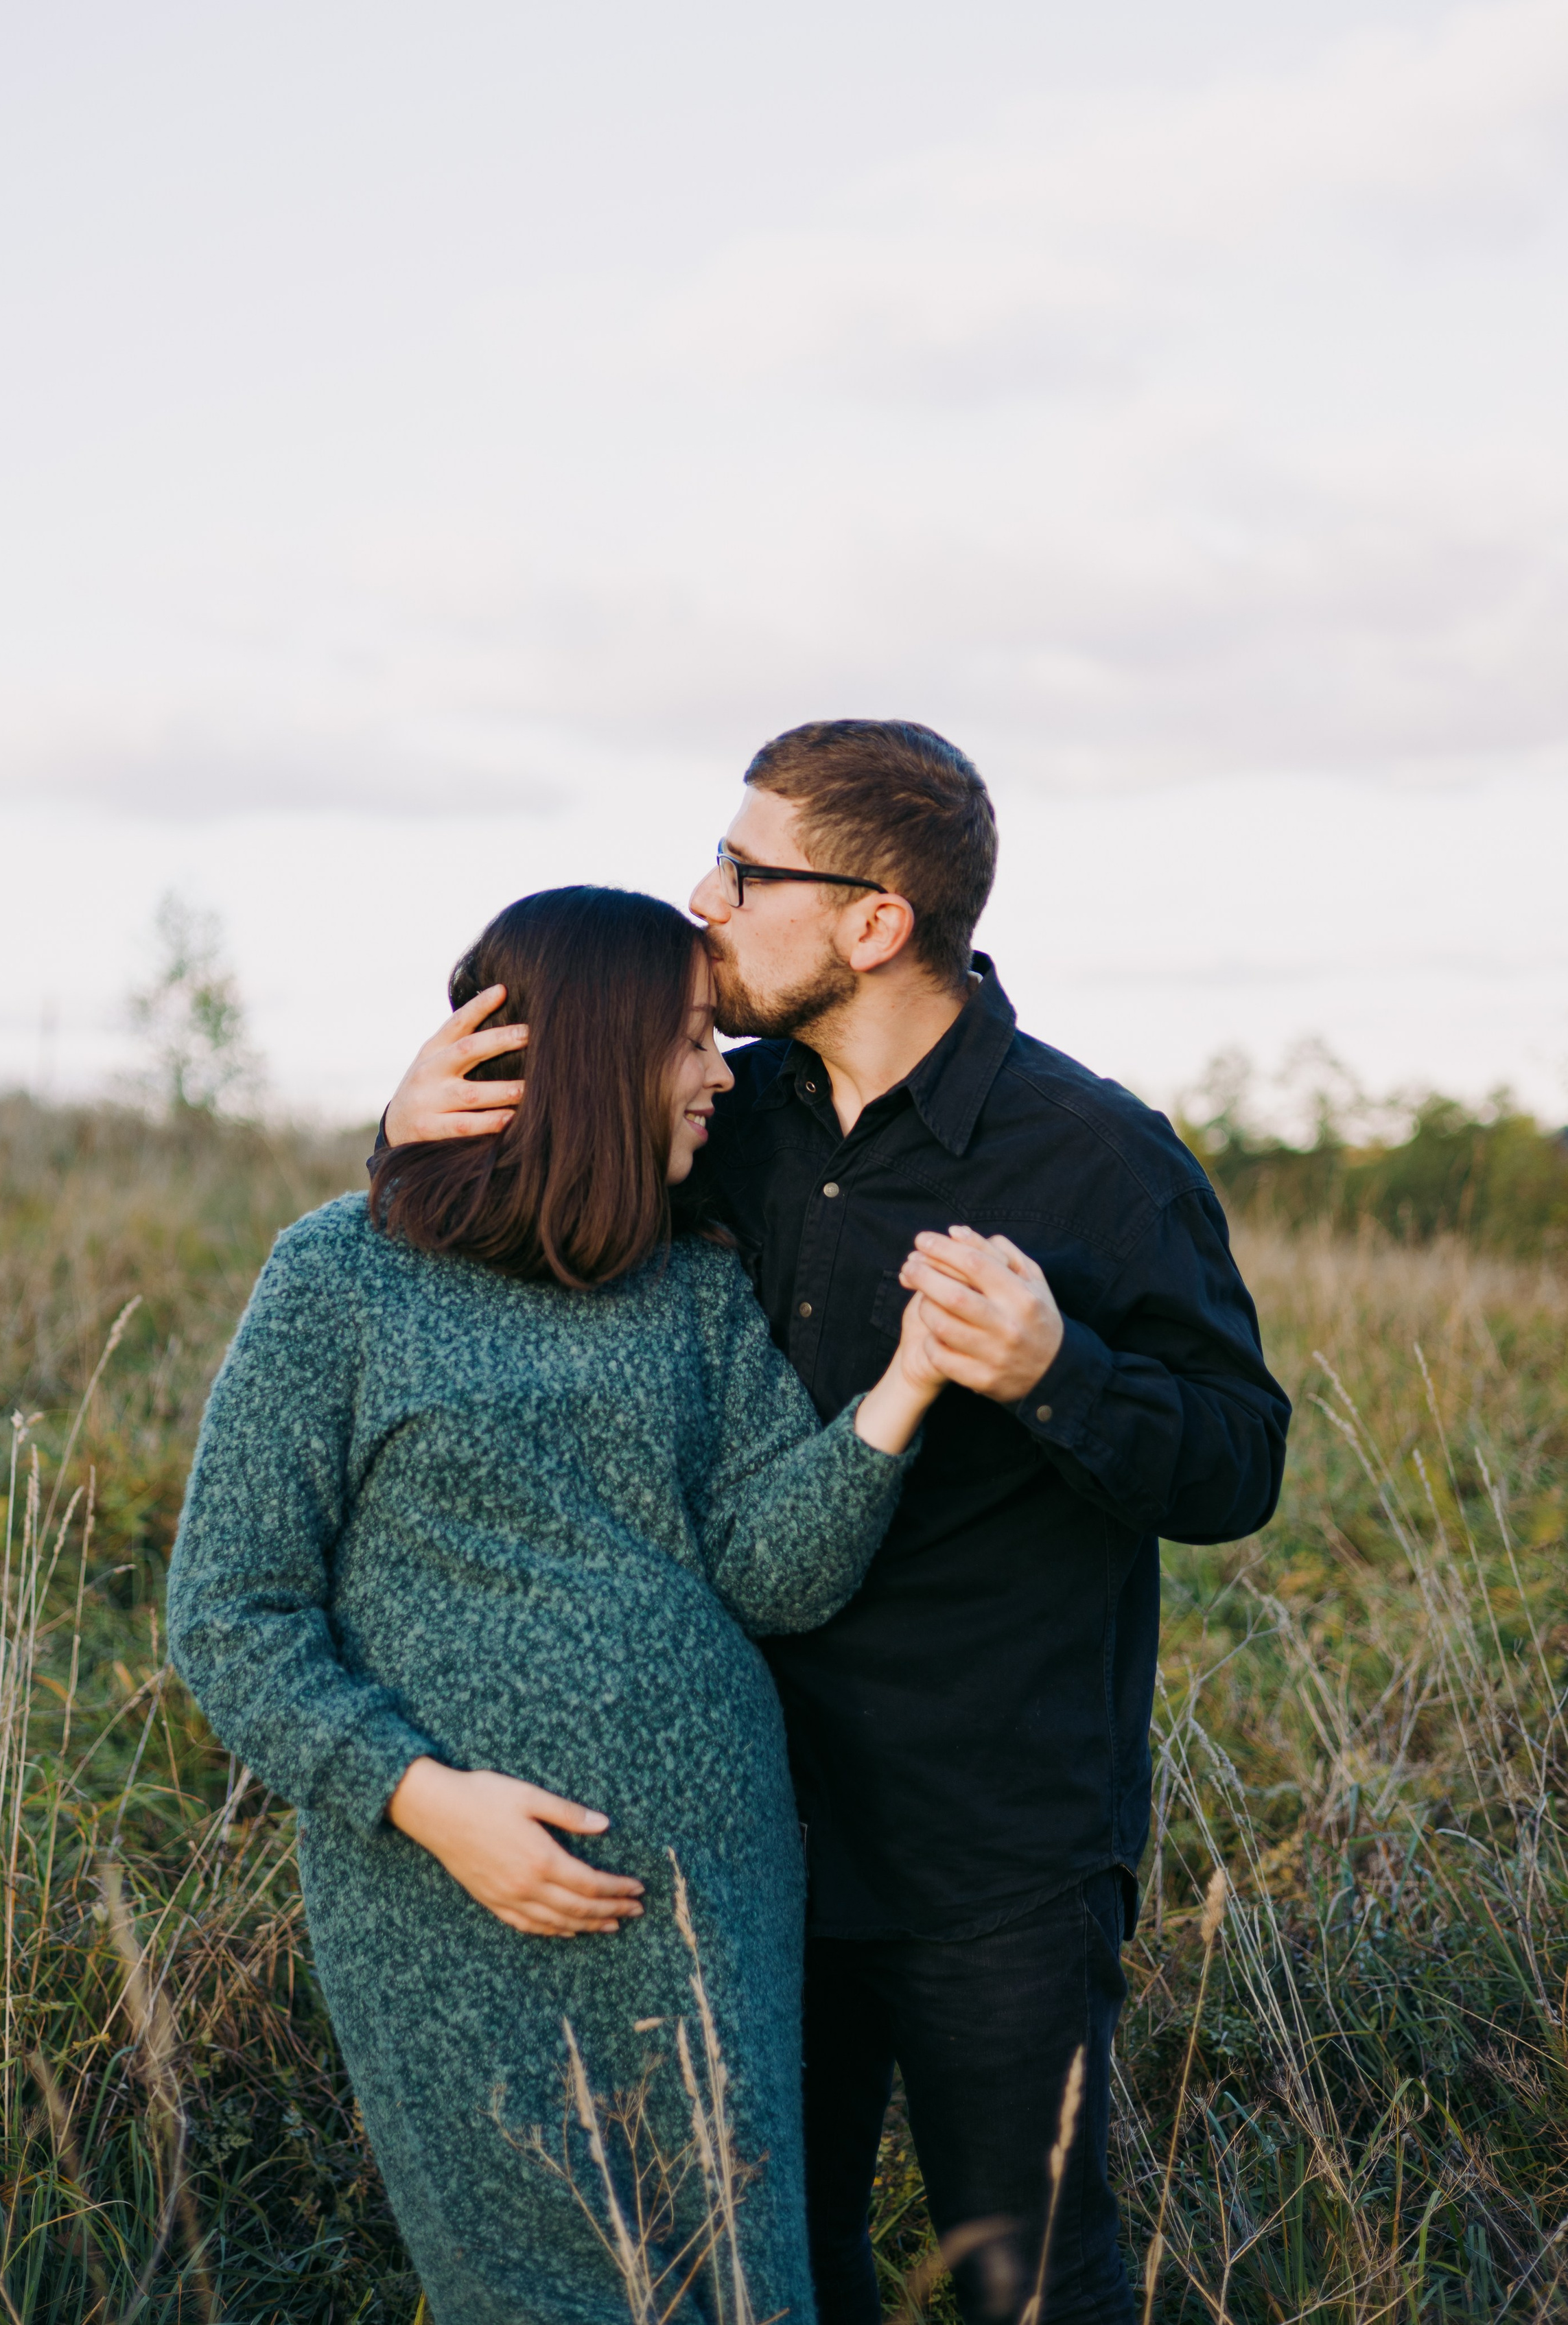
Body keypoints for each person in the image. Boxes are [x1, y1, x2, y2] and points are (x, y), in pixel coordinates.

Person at [375, 722, 1291, 2324]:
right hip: (724, 1831)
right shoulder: (715, 1113)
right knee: (760, 2274)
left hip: (987, 1847)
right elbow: (494, 1253)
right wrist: (405, 1135)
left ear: (874, 920)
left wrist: (1052, 1369)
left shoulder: (1094, 1158)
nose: (701, 898)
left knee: (1028, 2278)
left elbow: (1236, 1462)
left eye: (741, 869)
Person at [168, 885, 967, 2325]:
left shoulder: (691, 1289)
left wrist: (898, 1394)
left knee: (740, 2286)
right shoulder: (340, 1276)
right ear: (594, 1057)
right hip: (447, 1889)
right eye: (681, 1039)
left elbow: (769, 1576)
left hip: (710, 1883)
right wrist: (422, 1798)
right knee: (534, 2288)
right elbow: (230, 1611)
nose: (718, 1069)